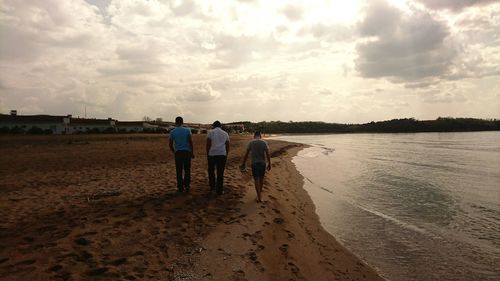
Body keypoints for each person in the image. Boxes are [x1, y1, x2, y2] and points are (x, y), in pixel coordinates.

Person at [240, 131, 271, 202]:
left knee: (256, 179)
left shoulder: (251, 143)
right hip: (262, 163)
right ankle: (259, 195)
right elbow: (267, 154)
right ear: (260, 136)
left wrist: (243, 163)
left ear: (254, 136)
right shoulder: (264, 142)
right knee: (261, 179)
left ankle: (259, 196)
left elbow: (246, 154)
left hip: (254, 163)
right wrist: (269, 163)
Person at [169, 116, 194, 193]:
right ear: (182, 122)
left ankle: (180, 187)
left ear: (175, 122)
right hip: (186, 152)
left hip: (178, 153)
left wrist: (174, 151)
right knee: (187, 169)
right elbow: (190, 142)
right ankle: (187, 185)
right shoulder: (187, 130)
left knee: (179, 170)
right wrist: (192, 152)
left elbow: (170, 144)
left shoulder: (172, 132)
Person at [206, 121, 230, 195]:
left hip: (212, 154)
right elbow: (227, 145)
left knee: (211, 171)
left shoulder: (210, 132)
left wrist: (208, 154)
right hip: (222, 154)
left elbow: (208, 144)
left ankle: (212, 186)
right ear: (220, 126)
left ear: (213, 126)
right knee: (220, 173)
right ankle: (219, 190)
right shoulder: (225, 133)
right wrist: (226, 154)